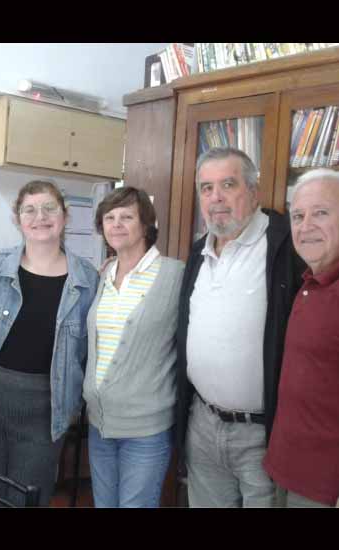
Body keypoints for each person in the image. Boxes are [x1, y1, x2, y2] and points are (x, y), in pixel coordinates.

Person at [0, 180, 98, 507]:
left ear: (65, 216)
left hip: (46, 412)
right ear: (17, 219)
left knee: (27, 500)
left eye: (49, 209)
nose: (40, 217)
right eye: (29, 210)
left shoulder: (88, 280)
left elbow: (88, 351)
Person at [175, 147, 306, 508]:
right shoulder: (198, 253)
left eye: (227, 184)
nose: (215, 197)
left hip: (263, 433)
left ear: (253, 192)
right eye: (206, 188)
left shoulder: (287, 246)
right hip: (202, 423)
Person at [82, 187, 184, 508]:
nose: (116, 224)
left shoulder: (174, 275)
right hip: (99, 423)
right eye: (109, 218)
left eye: (127, 217)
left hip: (146, 428)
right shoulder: (102, 276)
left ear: (145, 225)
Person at [263, 169, 339, 508]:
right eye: (298, 215)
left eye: (321, 213)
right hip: (287, 469)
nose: (306, 226)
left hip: (323, 486)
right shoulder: (309, 283)